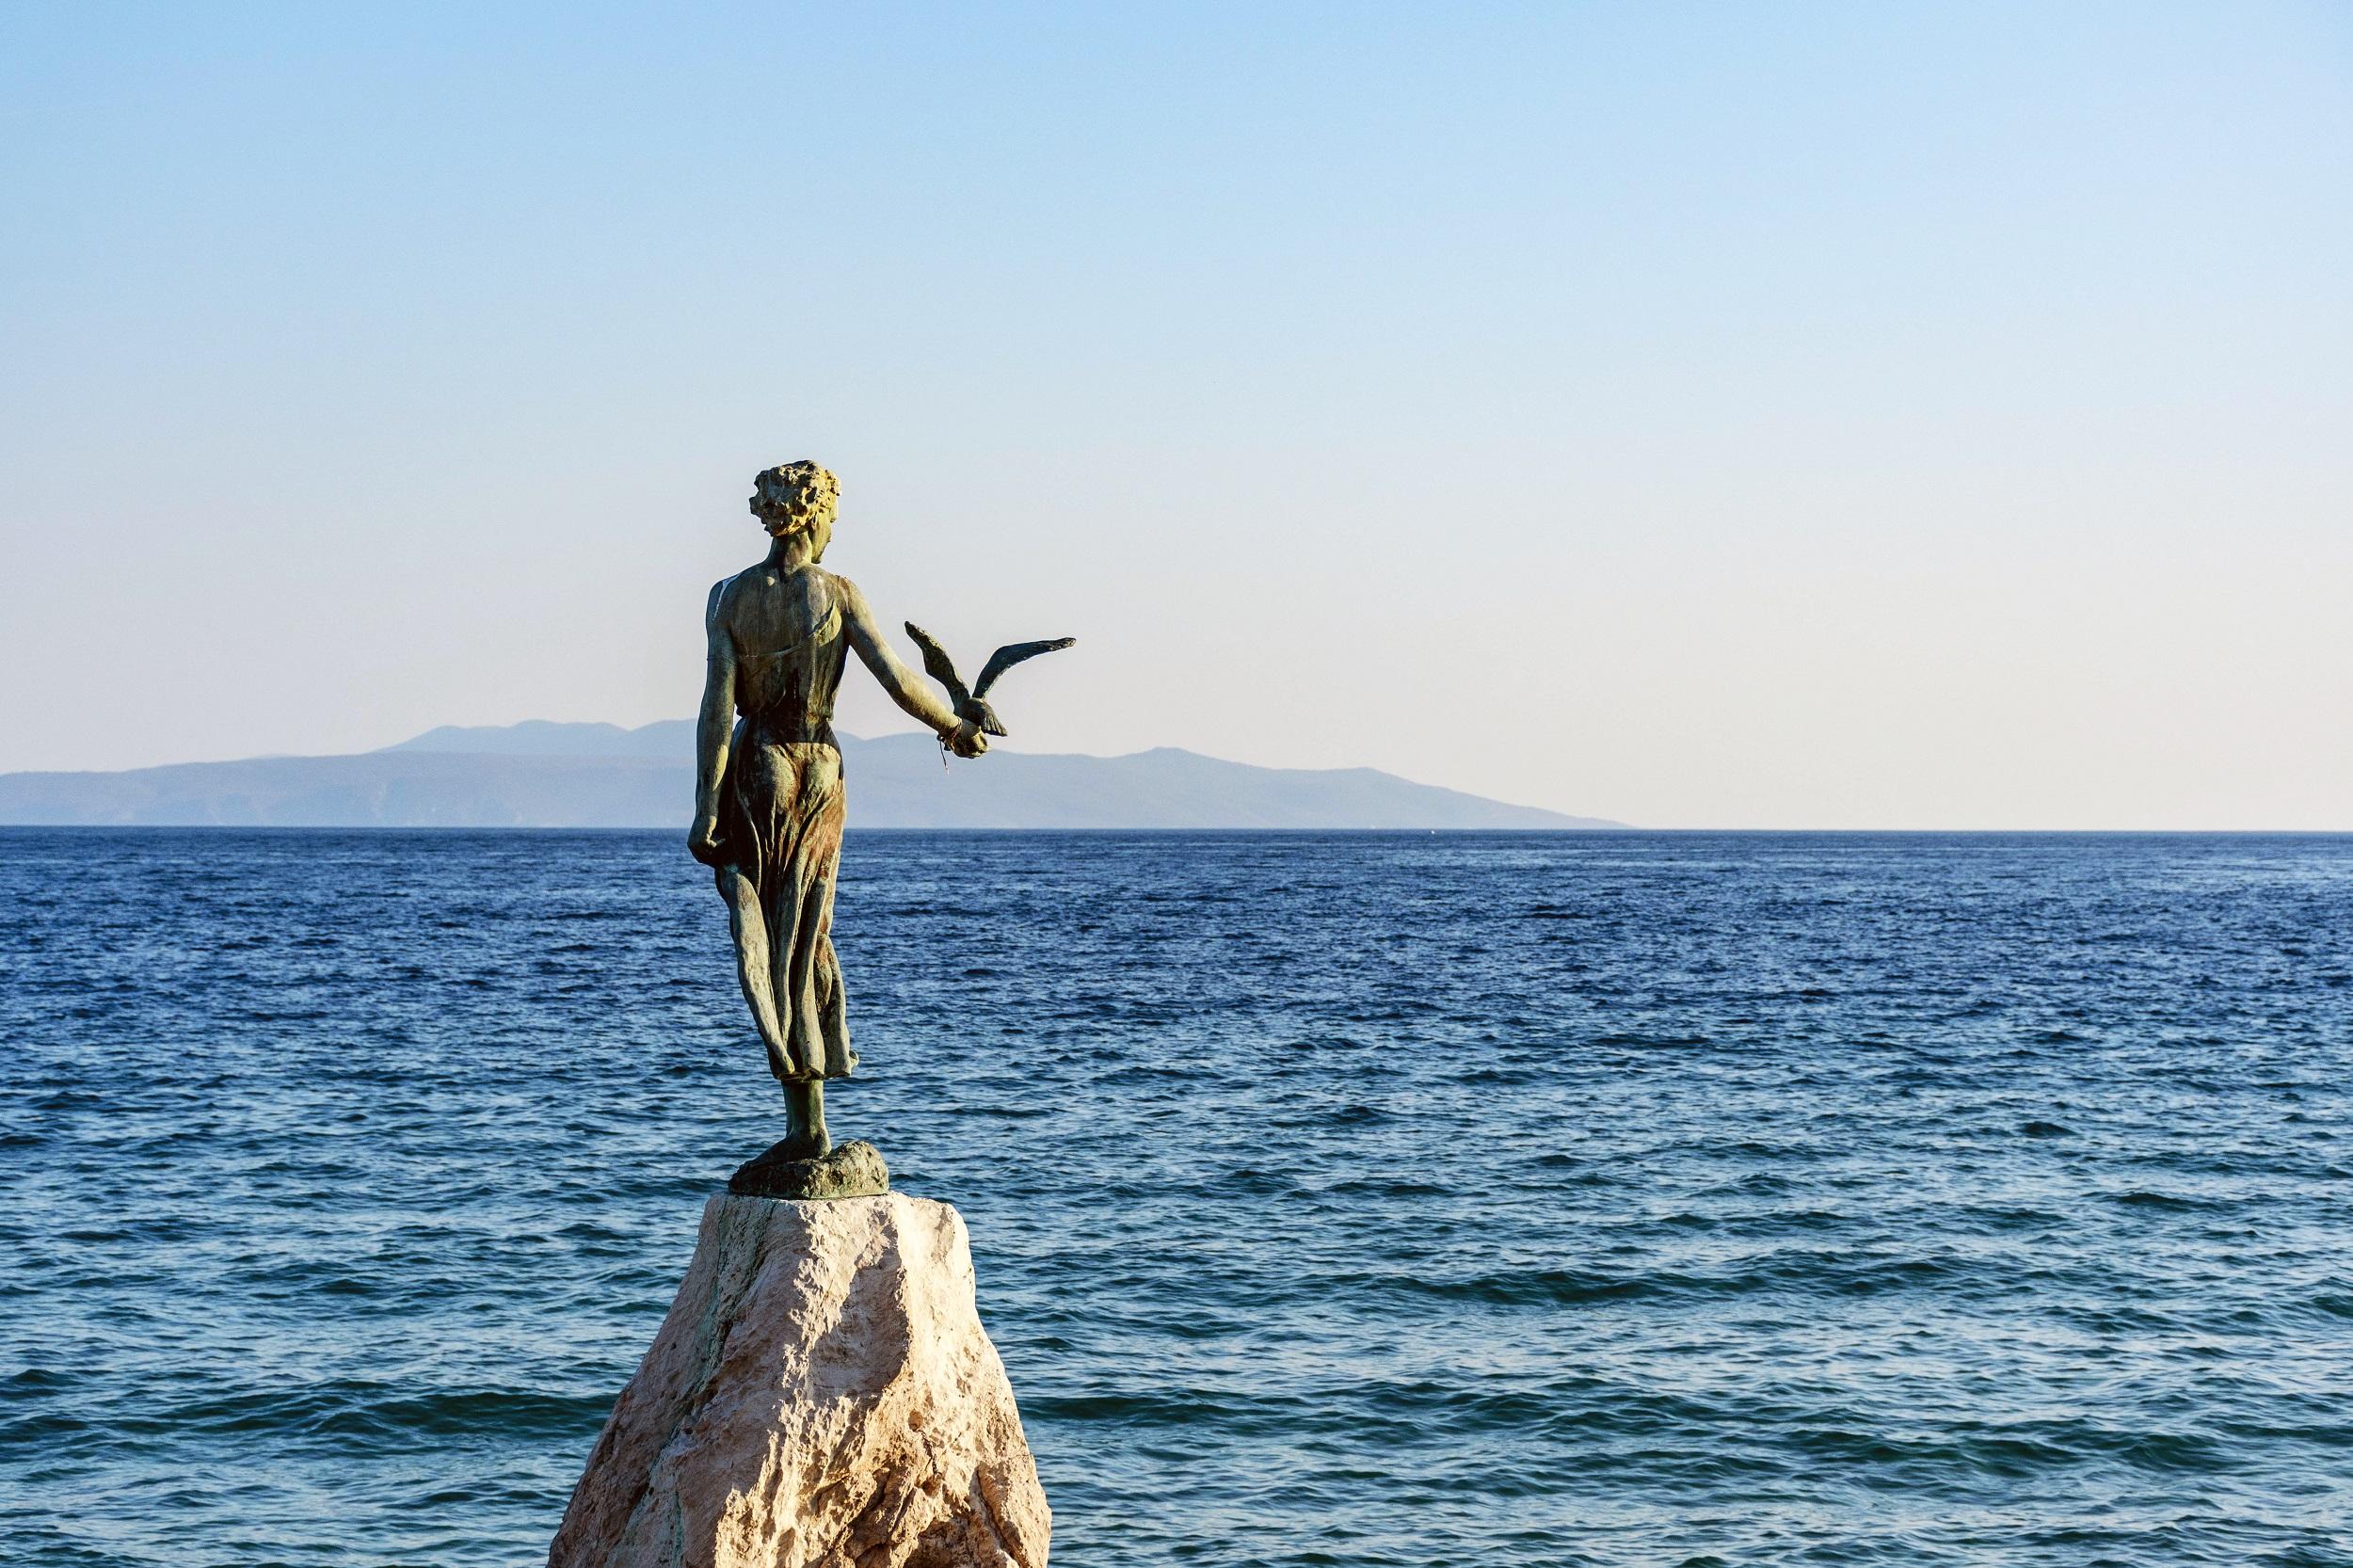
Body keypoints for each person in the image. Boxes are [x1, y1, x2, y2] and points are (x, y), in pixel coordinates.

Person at [688, 461, 985, 1160]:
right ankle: (809, 1122)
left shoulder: (727, 599)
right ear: (816, 516)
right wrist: (954, 728)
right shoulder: (838, 594)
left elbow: (715, 707)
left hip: (756, 768)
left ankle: (803, 1121)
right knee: (805, 937)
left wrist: (705, 805)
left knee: (769, 936)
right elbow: (898, 680)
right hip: (817, 768)